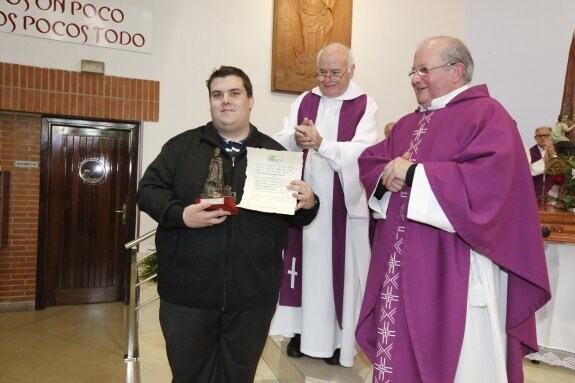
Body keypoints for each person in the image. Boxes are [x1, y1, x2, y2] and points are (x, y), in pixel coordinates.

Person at [356, 36, 551, 383]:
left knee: (462, 362)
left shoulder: (488, 114)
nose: (415, 78)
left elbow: (492, 183)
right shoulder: (406, 124)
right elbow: (373, 161)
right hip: (400, 268)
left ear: (456, 71)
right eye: (412, 71)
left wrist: (415, 172)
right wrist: (387, 178)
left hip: (454, 267)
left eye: (423, 70)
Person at [136, 65, 320, 383]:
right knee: (189, 376)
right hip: (187, 296)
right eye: (217, 94)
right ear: (210, 101)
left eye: (234, 93)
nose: (226, 101)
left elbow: (297, 212)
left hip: (252, 297)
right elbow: (147, 191)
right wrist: (181, 215)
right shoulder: (182, 148)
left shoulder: (274, 155)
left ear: (250, 100)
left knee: (239, 376)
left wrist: (310, 202)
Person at [269, 42, 378, 367]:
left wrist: (323, 144)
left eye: (335, 72)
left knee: (335, 273)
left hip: (340, 207)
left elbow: (365, 154)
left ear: (351, 71)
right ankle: (301, 333)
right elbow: (282, 137)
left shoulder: (364, 105)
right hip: (303, 203)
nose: (327, 79)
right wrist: (297, 138)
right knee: (300, 268)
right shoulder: (305, 99)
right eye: (322, 72)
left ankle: (335, 342)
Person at [527, 126, 556, 199]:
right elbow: (527, 171)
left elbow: (563, 170)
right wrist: (545, 160)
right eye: (539, 136)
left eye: (546, 135)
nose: (543, 138)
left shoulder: (559, 151)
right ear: (535, 138)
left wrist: (553, 156)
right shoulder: (529, 152)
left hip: (554, 192)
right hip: (535, 191)